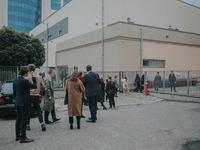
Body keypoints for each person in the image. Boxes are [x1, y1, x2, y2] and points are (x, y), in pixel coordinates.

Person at [13, 66, 36, 143]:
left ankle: (17, 135)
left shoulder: (15, 80)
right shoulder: (24, 81)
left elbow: (14, 92)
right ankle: (23, 137)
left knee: (18, 118)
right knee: (24, 119)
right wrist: (33, 77)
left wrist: (15, 100)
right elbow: (34, 86)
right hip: (24, 102)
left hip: (17, 101)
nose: (28, 73)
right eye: (28, 72)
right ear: (25, 73)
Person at [26, 64, 46, 131]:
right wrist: (40, 92)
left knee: (27, 110)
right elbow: (43, 86)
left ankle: (27, 125)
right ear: (35, 69)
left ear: (29, 69)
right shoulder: (39, 77)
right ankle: (42, 123)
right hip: (37, 95)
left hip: (29, 95)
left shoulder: (27, 77)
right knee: (38, 110)